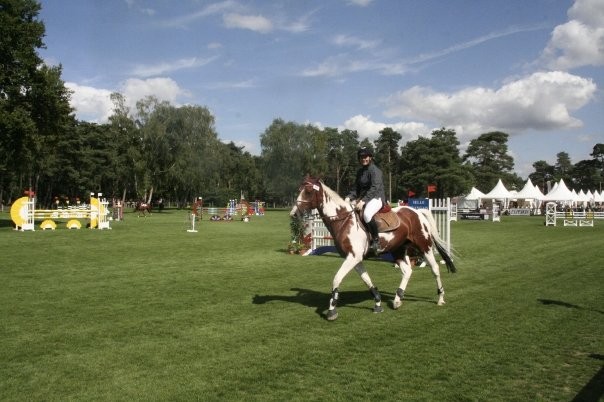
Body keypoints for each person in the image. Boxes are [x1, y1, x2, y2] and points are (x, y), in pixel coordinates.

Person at [346, 147, 386, 254]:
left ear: (370, 157)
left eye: (366, 157)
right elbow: (356, 188)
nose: (364, 159)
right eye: (361, 157)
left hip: (376, 197)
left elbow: (375, 188)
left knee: (367, 214)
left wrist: (363, 201)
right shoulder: (360, 172)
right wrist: (349, 197)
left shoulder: (375, 171)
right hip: (363, 198)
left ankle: (376, 241)